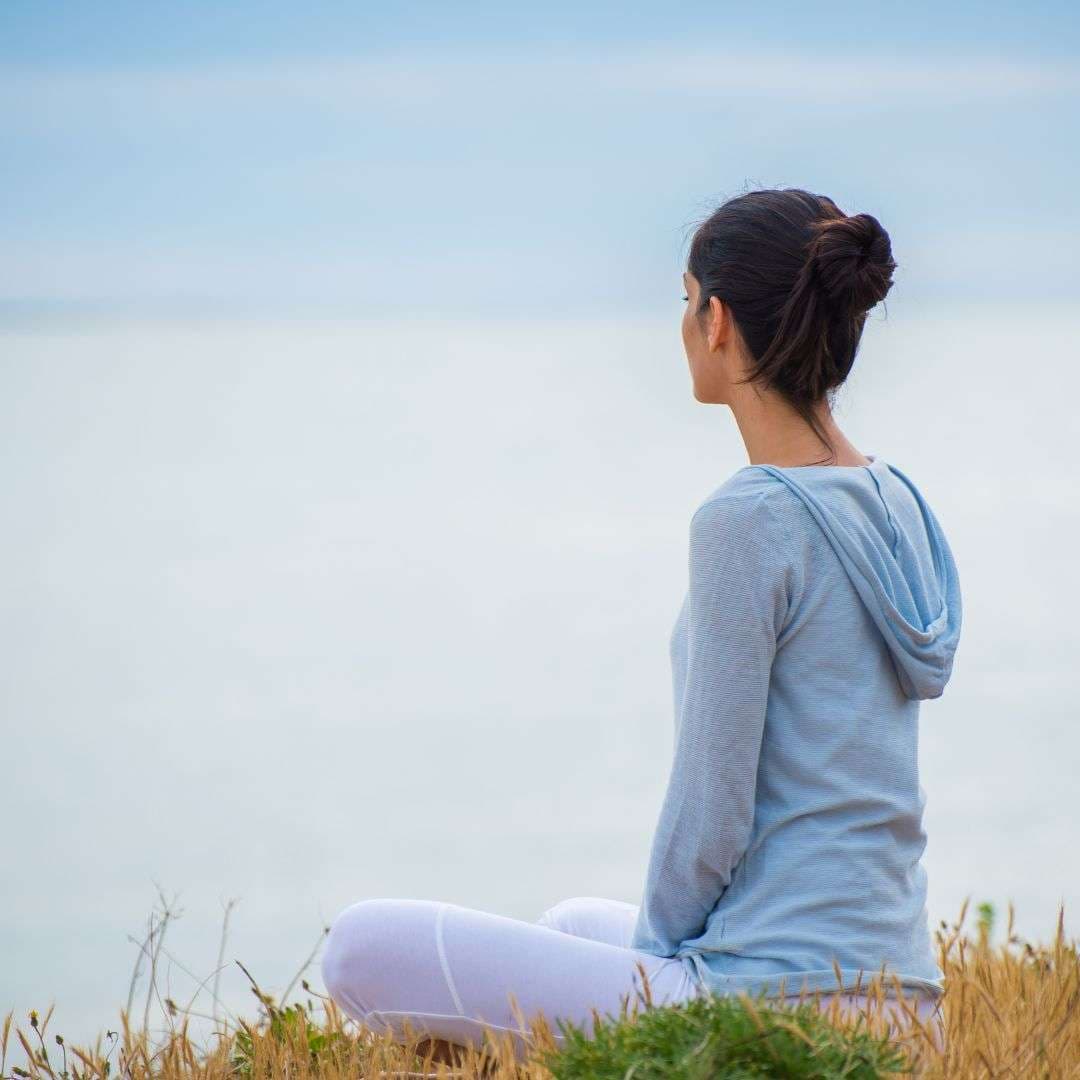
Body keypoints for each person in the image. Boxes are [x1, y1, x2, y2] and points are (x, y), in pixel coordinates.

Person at [319, 187, 960, 1065]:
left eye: (684, 298)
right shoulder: (895, 500)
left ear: (718, 320)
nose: (683, 321)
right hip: (904, 1002)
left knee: (358, 947)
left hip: (778, 1007)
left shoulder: (749, 519)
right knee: (573, 924)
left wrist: (666, 974)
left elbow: (713, 807)